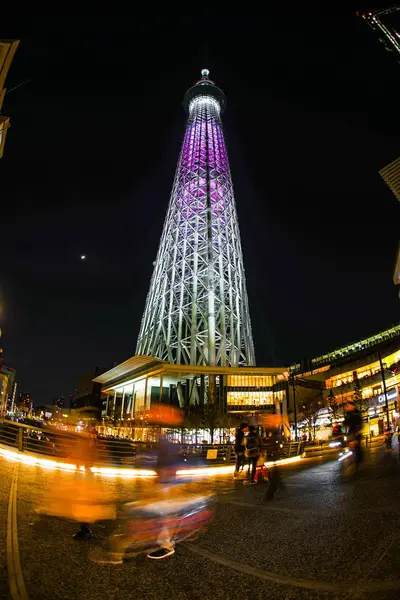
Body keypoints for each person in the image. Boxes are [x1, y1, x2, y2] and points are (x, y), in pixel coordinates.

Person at [343, 401, 363, 466]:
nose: (347, 407)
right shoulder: (348, 414)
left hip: (356, 431)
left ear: (352, 406)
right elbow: (346, 422)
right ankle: (353, 458)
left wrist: (358, 430)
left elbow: (359, 422)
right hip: (350, 432)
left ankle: (358, 459)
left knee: (356, 445)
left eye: (348, 406)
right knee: (349, 444)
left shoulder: (356, 413)